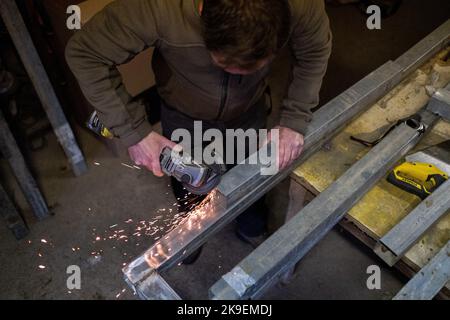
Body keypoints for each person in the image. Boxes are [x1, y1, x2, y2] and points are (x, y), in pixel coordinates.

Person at [66, 0, 332, 256]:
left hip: (250, 109)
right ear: (203, 13)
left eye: (251, 66)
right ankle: (192, 233)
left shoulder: (302, 4)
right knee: (190, 185)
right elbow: (84, 53)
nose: (238, 73)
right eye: (226, 63)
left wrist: (295, 117)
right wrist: (134, 132)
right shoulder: (157, 7)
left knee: (251, 175)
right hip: (184, 113)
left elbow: (315, 50)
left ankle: (251, 227)